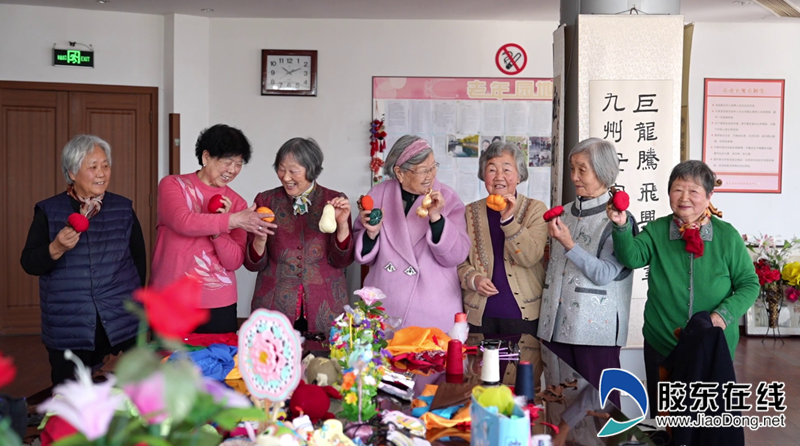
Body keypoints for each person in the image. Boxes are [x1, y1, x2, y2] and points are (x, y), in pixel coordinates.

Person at [608, 159, 759, 414]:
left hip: (712, 344)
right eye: (677, 190)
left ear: (709, 196)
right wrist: (621, 226)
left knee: (707, 418)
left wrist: (722, 316)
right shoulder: (657, 230)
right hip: (663, 340)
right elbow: (631, 257)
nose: (684, 198)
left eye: (693, 191)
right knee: (666, 418)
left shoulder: (727, 236)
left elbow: (749, 284)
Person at [21, 134, 146, 386]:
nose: (102, 173)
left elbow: (138, 259)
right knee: (71, 396)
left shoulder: (122, 208)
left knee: (128, 394)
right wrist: (55, 248)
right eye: (93, 166)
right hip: (69, 325)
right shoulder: (49, 211)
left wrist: (132, 303)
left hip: (120, 322)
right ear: (72, 172)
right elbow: (29, 263)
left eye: (105, 165)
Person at [538, 138, 637, 410]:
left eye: (582, 170)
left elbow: (605, 273)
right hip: (555, 328)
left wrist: (570, 244)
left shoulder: (619, 219)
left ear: (603, 172)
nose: (574, 177)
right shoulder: (565, 213)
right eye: (573, 168)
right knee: (558, 404)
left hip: (595, 332)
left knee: (598, 408)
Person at [151, 124, 265, 334]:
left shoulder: (237, 204)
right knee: (169, 356)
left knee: (220, 356)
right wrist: (231, 220)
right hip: (171, 298)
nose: (233, 170)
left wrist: (220, 229)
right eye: (227, 162)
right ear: (206, 157)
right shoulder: (173, 185)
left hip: (218, 303)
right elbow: (183, 221)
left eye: (238, 164)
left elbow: (233, 261)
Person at [354, 135, 470, 331]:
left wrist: (436, 218)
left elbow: (456, 256)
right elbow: (363, 257)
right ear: (399, 172)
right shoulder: (377, 195)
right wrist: (371, 234)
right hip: (385, 306)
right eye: (423, 170)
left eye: (433, 167)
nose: (430, 176)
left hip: (432, 308)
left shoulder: (448, 198)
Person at [245, 138, 354, 332]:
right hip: (274, 303)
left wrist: (343, 225)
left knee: (324, 352)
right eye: (281, 169)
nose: (285, 177)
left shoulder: (334, 201)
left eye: (293, 171)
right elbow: (253, 265)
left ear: (311, 169)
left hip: (325, 303)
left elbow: (342, 261)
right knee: (274, 350)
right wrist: (260, 239)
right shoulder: (266, 201)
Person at [458, 141, 548, 334]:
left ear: (519, 176)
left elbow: (530, 257)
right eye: (491, 170)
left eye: (507, 169)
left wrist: (508, 220)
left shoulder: (536, 209)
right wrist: (473, 278)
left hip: (522, 316)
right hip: (478, 315)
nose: (499, 176)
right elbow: (457, 260)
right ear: (483, 175)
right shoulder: (468, 212)